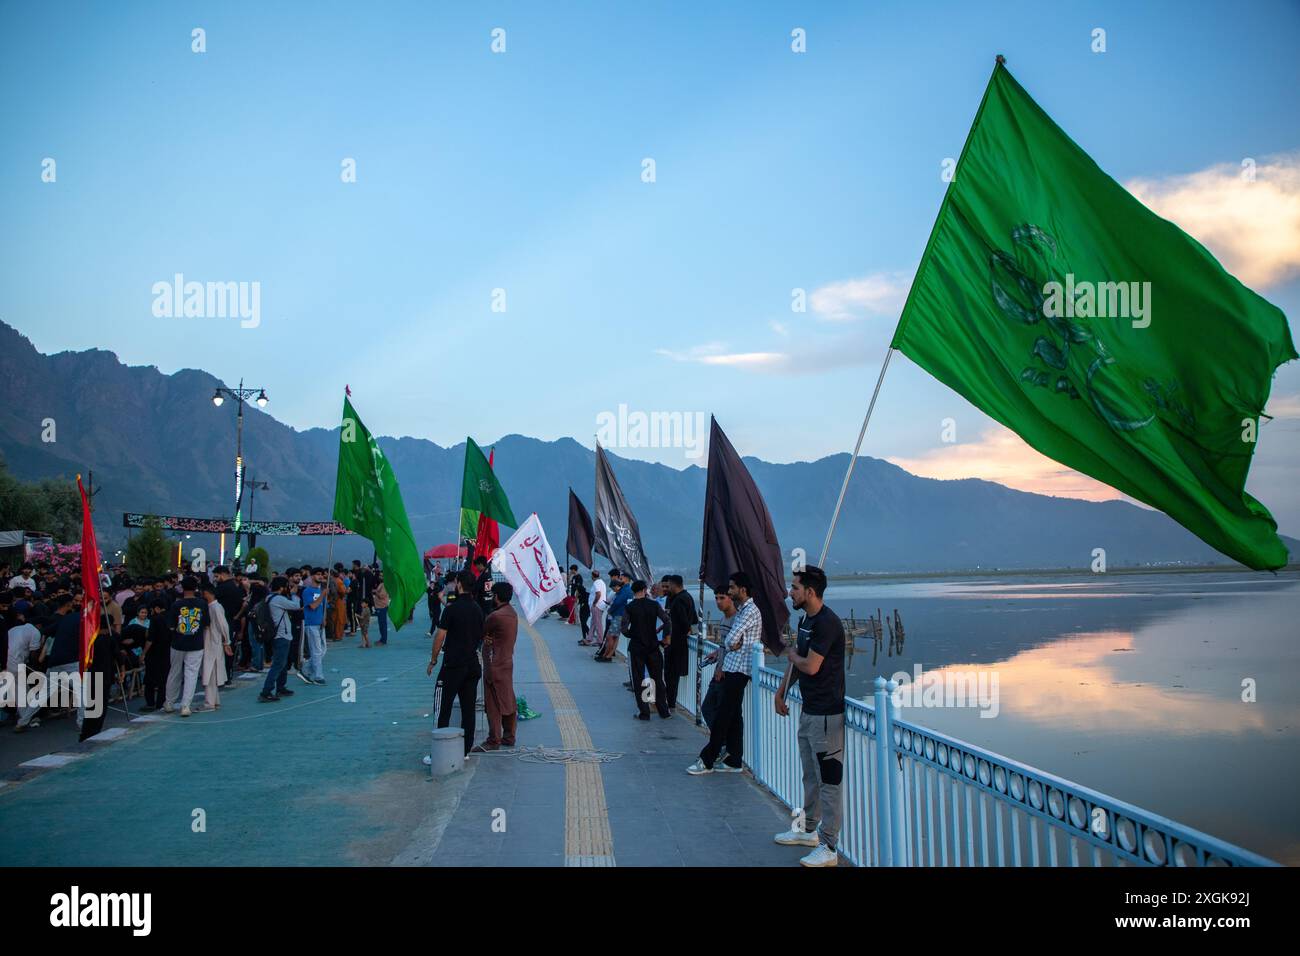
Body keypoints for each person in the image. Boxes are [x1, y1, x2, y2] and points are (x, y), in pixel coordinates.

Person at [771, 565, 845, 867]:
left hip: (827, 714)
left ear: (810, 592)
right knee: (810, 776)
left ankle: (829, 846)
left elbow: (811, 665)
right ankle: (809, 829)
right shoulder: (806, 621)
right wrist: (781, 691)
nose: (790, 593)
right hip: (809, 709)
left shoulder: (827, 624)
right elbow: (798, 663)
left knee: (830, 782)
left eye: (795, 588)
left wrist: (791, 655)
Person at [687, 571, 761, 775]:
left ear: (742, 589)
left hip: (738, 670)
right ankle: (734, 760)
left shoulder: (749, 612)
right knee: (734, 716)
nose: (729, 591)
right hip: (732, 667)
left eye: (731, 588)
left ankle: (707, 759)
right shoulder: (743, 610)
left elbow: (730, 640)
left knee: (723, 716)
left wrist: (734, 644)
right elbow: (730, 642)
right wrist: (732, 644)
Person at [428, 570, 483, 757]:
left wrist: (433, 660)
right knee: (469, 710)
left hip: (452, 666)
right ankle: (465, 750)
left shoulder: (451, 609)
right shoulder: (478, 609)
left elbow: (440, 635)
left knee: (443, 707)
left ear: (459, 585)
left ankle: (440, 752)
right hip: (473, 665)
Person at [474, 581, 518, 752]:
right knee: (508, 699)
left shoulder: (495, 616)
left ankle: (494, 740)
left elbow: (482, 632)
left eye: (493, 595)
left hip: (494, 665)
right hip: (507, 662)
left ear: (497, 596)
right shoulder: (512, 613)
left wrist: (487, 639)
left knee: (493, 704)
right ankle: (509, 736)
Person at [621, 580, 672, 720]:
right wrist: (666, 636)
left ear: (633, 591)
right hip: (653, 647)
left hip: (637, 648)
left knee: (639, 680)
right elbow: (667, 620)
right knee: (658, 679)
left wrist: (634, 634)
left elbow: (624, 628)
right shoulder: (654, 605)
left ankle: (644, 712)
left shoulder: (629, 607)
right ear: (645, 590)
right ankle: (664, 711)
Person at [163, 577, 210, 717]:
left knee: (174, 672)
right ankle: (185, 706)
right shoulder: (202, 604)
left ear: (182, 588)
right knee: (192, 674)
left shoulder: (176, 604)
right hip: (196, 643)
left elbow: (171, 626)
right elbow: (207, 624)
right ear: (196, 588)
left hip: (178, 643)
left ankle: (169, 702)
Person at [258, 576, 301, 703]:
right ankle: (266, 691)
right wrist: (294, 594)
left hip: (273, 634)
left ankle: (281, 687)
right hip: (281, 635)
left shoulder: (268, 598)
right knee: (278, 664)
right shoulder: (279, 599)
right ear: (282, 588)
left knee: (282, 663)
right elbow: (296, 606)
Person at [662, 574, 699, 710]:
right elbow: (694, 618)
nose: (667, 588)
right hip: (678, 642)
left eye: (669, 585)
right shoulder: (687, 597)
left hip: (675, 642)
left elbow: (683, 622)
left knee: (671, 674)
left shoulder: (678, 601)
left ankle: (670, 702)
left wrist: (685, 630)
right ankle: (669, 700)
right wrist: (692, 630)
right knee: (673, 674)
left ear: (674, 585)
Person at [7, 607, 44, 731]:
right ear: (39, 625)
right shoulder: (35, 632)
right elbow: (34, 655)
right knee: (22, 691)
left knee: (20, 690)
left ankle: (25, 717)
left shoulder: (13, 629)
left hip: (8, 661)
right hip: (17, 662)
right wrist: (36, 670)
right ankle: (26, 719)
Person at [199, 584, 230, 710]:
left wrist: (227, 641)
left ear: (208, 593)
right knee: (211, 671)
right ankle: (214, 700)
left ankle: (209, 702)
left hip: (213, 641)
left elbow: (224, 625)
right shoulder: (211, 607)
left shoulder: (216, 607)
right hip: (211, 640)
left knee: (210, 670)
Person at [140, 600, 171, 712]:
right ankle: (161, 702)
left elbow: (150, 639)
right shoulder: (169, 617)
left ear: (156, 608)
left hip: (154, 653)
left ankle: (150, 703)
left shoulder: (155, 619)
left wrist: (143, 653)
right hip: (167, 652)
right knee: (164, 680)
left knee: (150, 679)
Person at [301, 568, 328, 684]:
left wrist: (324, 618)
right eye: (317, 574)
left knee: (323, 650)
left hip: (320, 624)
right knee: (316, 650)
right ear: (312, 576)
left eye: (322, 574)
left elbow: (322, 607)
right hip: (311, 624)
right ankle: (318, 676)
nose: (320, 576)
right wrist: (322, 595)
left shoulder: (321, 591)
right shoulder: (308, 591)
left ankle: (306, 669)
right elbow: (312, 606)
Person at [597, 572, 630, 661]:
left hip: (619, 615)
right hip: (619, 615)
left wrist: (610, 610)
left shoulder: (625, 590)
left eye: (621, 578)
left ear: (626, 579)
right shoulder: (625, 589)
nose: (620, 579)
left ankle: (607, 656)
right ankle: (608, 655)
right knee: (614, 637)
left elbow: (618, 602)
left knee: (611, 636)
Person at [582, 570, 606, 647]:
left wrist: (594, 603)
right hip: (599, 606)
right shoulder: (601, 582)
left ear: (592, 576)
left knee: (598, 624)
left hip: (597, 606)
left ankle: (599, 641)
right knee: (593, 622)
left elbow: (598, 594)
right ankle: (589, 638)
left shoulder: (596, 583)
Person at [373, 572, 390, 645]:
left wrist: (375, 592)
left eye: (382, 576)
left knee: (383, 624)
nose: (380, 577)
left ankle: (383, 640)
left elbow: (381, 596)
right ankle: (382, 638)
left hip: (382, 606)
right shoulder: (381, 584)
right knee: (381, 624)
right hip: (379, 606)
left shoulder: (384, 585)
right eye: (380, 575)